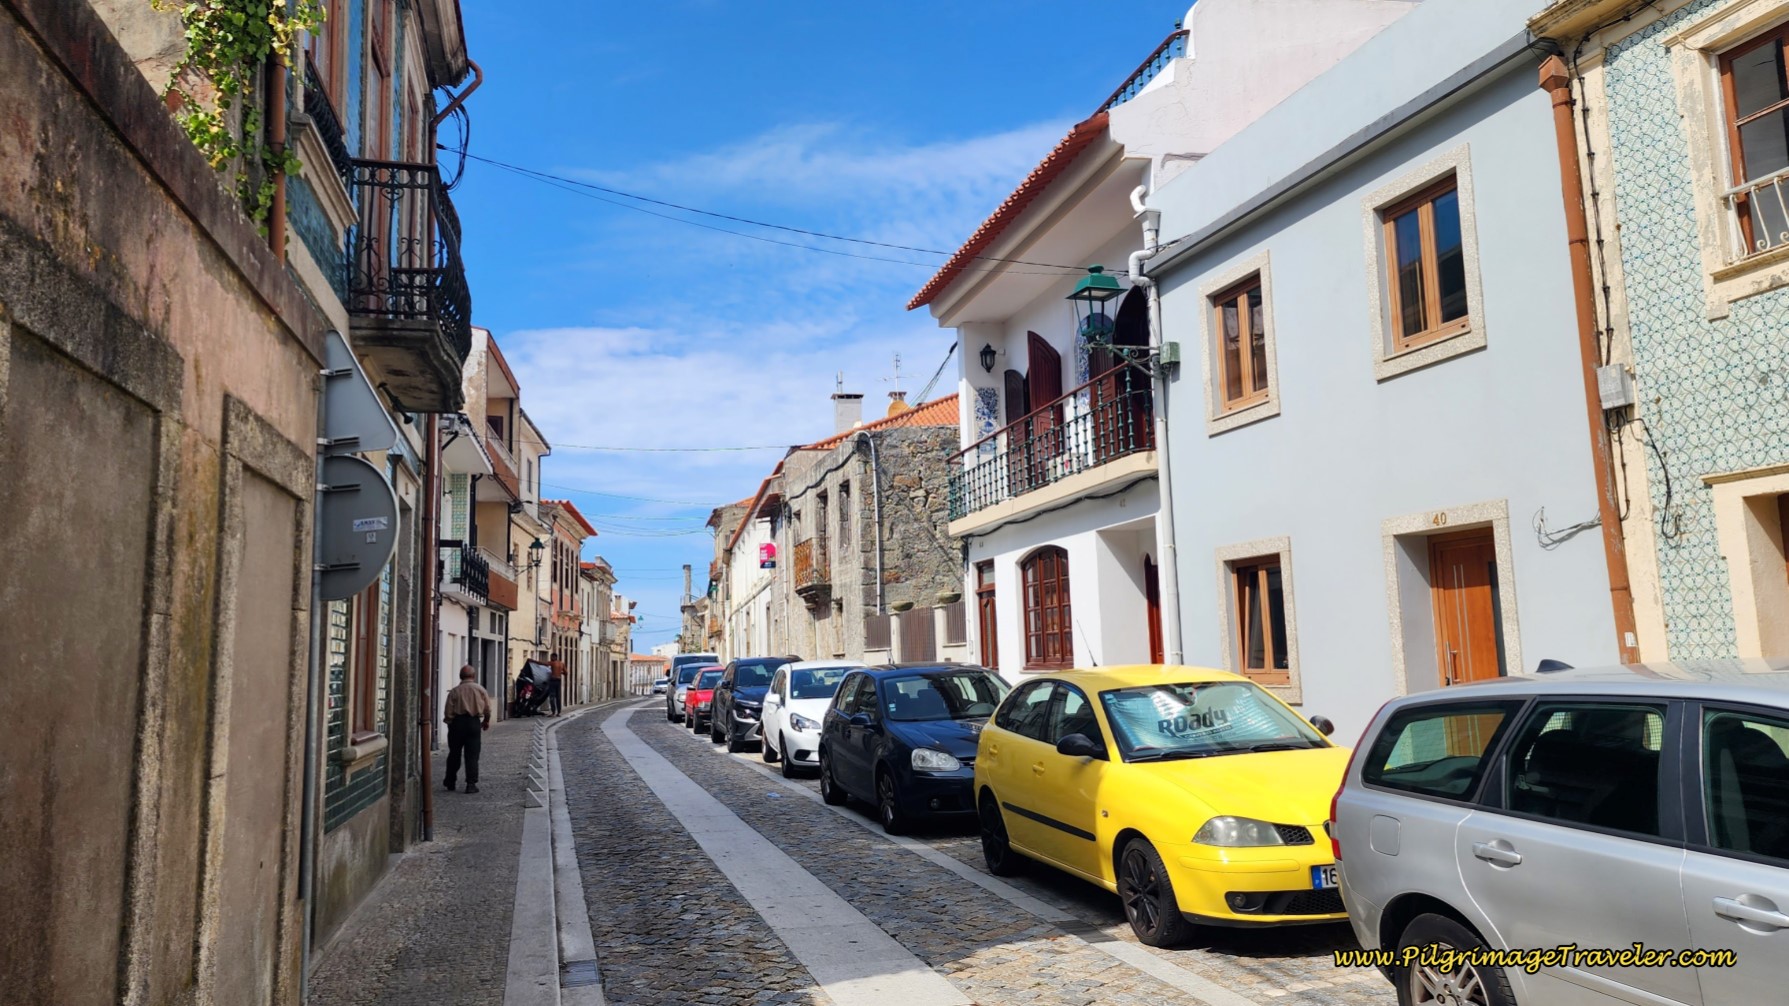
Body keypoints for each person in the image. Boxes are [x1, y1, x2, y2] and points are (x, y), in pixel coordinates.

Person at [443, 664, 491, 793]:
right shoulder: (480, 690)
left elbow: (448, 711)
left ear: (460, 676)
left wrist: (450, 724)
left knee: (454, 754)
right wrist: (486, 721)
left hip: (457, 724)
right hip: (473, 723)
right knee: (472, 755)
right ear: (474, 676)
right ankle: (471, 784)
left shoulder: (455, 691)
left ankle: (450, 781)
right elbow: (487, 708)